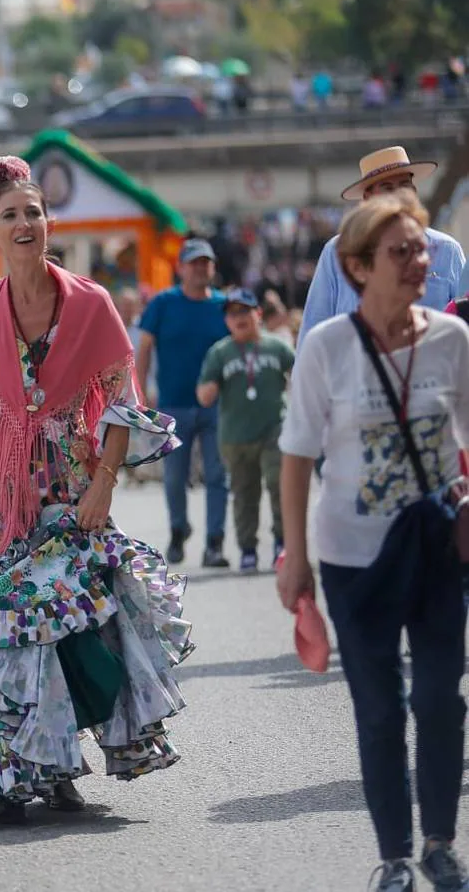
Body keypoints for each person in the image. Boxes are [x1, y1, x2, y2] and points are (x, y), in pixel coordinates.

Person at [0, 157, 190, 822]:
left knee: (63, 626)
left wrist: (105, 485)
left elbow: (123, 405)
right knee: (8, 630)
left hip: (70, 494)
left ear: (48, 222)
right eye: (10, 216)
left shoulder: (92, 305)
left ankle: (51, 767)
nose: (25, 222)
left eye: (33, 212)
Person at [277, 190, 469, 892]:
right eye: (403, 252)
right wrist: (296, 556)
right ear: (358, 267)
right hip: (353, 555)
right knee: (382, 707)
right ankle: (394, 857)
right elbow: (296, 457)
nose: (422, 261)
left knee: (442, 699)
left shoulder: (453, 339)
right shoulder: (326, 349)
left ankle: (442, 844)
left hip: (438, 544)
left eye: (423, 248)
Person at [297, 146, 466, 351]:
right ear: (367, 199)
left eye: (405, 184)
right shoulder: (338, 251)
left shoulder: (447, 249)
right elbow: (314, 326)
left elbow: (464, 315)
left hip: (432, 372)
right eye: (387, 187)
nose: (400, 194)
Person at [136, 239, 231, 567]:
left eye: (206, 263)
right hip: (172, 404)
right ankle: (178, 530)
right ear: (181, 268)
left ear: (213, 268)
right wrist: (141, 389)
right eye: (194, 263)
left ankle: (214, 543)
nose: (200, 268)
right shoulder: (163, 303)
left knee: (218, 475)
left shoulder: (224, 305)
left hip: (216, 406)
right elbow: (145, 347)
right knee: (175, 477)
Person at [196, 289, 295, 572]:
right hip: (236, 437)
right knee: (244, 493)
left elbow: (301, 372)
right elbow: (203, 393)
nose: (239, 318)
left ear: (258, 314)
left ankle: (282, 543)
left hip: (274, 429)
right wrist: (209, 389)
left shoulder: (277, 347)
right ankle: (248, 548)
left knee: (279, 484)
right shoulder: (220, 352)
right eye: (232, 314)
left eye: (244, 311)